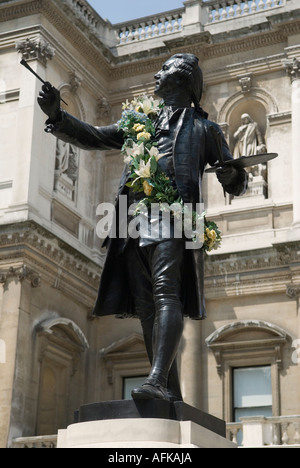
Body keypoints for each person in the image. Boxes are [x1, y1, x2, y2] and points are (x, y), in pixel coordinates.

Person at [38, 53, 248, 402]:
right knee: (146, 306)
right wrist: (58, 115)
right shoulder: (140, 123)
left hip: (175, 218)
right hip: (131, 220)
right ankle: (169, 390)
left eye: (164, 70)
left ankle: (155, 380)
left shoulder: (205, 129)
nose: (156, 74)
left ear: (180, 80)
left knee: (167, 293)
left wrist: (233, 175)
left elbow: (235, 178)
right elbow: (94, 136)